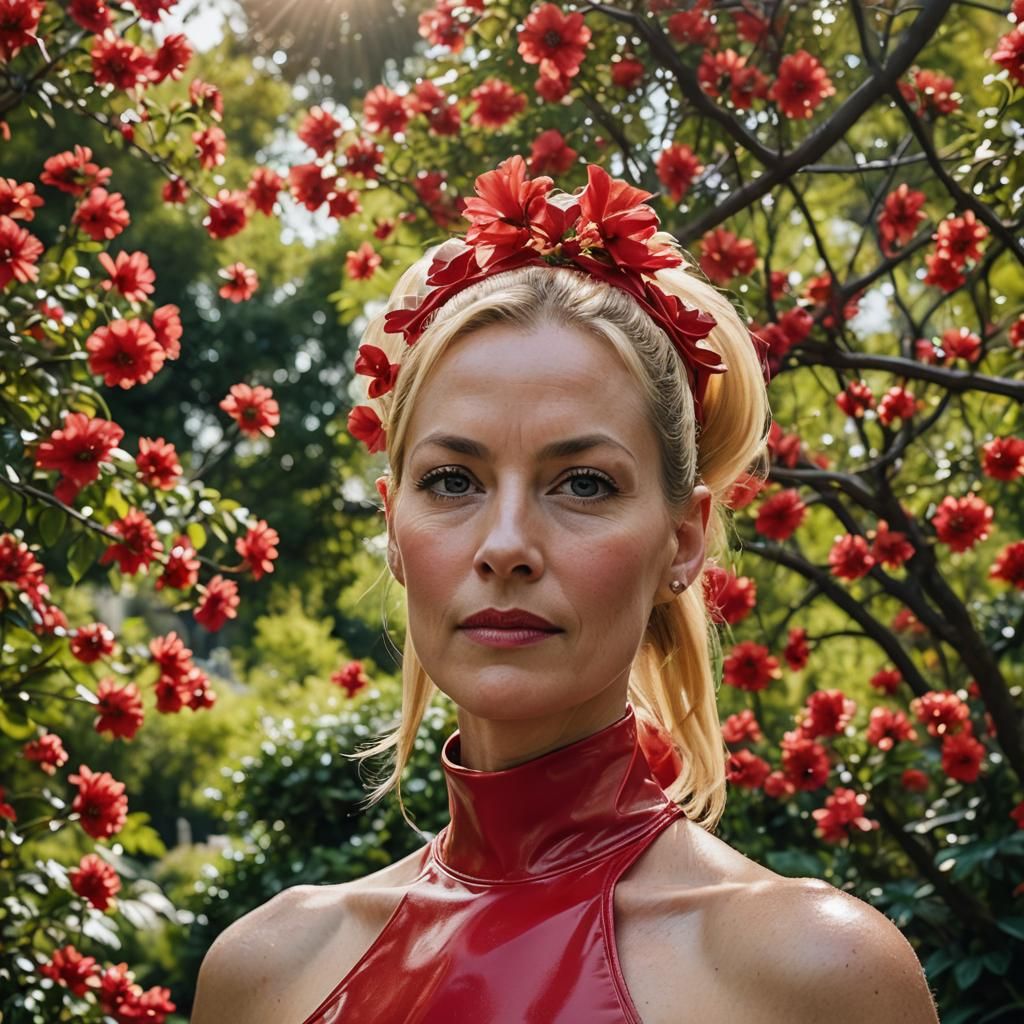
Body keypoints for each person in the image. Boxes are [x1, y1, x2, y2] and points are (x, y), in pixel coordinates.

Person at [191, 157, 941, 1024]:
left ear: (683, 541)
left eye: (582, 483)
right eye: (453, 481)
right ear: (395, 527)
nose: (505, 545)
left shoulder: (814, 972)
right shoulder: (265, 972)